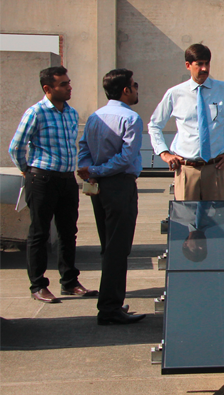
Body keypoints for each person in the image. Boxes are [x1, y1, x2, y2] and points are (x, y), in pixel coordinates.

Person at [8, 66, 97, 303]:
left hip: (67, 180)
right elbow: (16, 146)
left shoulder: (71, 113)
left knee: (68, 232)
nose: (69, 87)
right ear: (48, 88)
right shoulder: (35, 113)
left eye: (69, 83)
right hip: (42, 179)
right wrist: (27, 170)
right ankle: (38, 285)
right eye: (63, 84)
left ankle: (69, 281)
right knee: (39, 233)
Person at [77, 69, 146, 325]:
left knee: (109, 247)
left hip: (99, 188)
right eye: (134, 85)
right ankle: (109, 309)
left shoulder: (95, 117)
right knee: (118, 248)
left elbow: (83, 148)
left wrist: (89, 173)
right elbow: (126, 158)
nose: (137, 89)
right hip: (119, 186)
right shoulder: (131, 118)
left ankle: (111, 300)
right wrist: (94, 171)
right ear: (125, 90)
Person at [148, 43, 224, 200]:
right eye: (199, 64)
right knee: (187, 219)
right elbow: (154, 125)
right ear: (188, 65)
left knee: (218, 220)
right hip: (186, 170)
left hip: (216, 168)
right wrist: (164, 153)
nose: (204, 69)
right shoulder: (175, 94)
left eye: (207, 63)